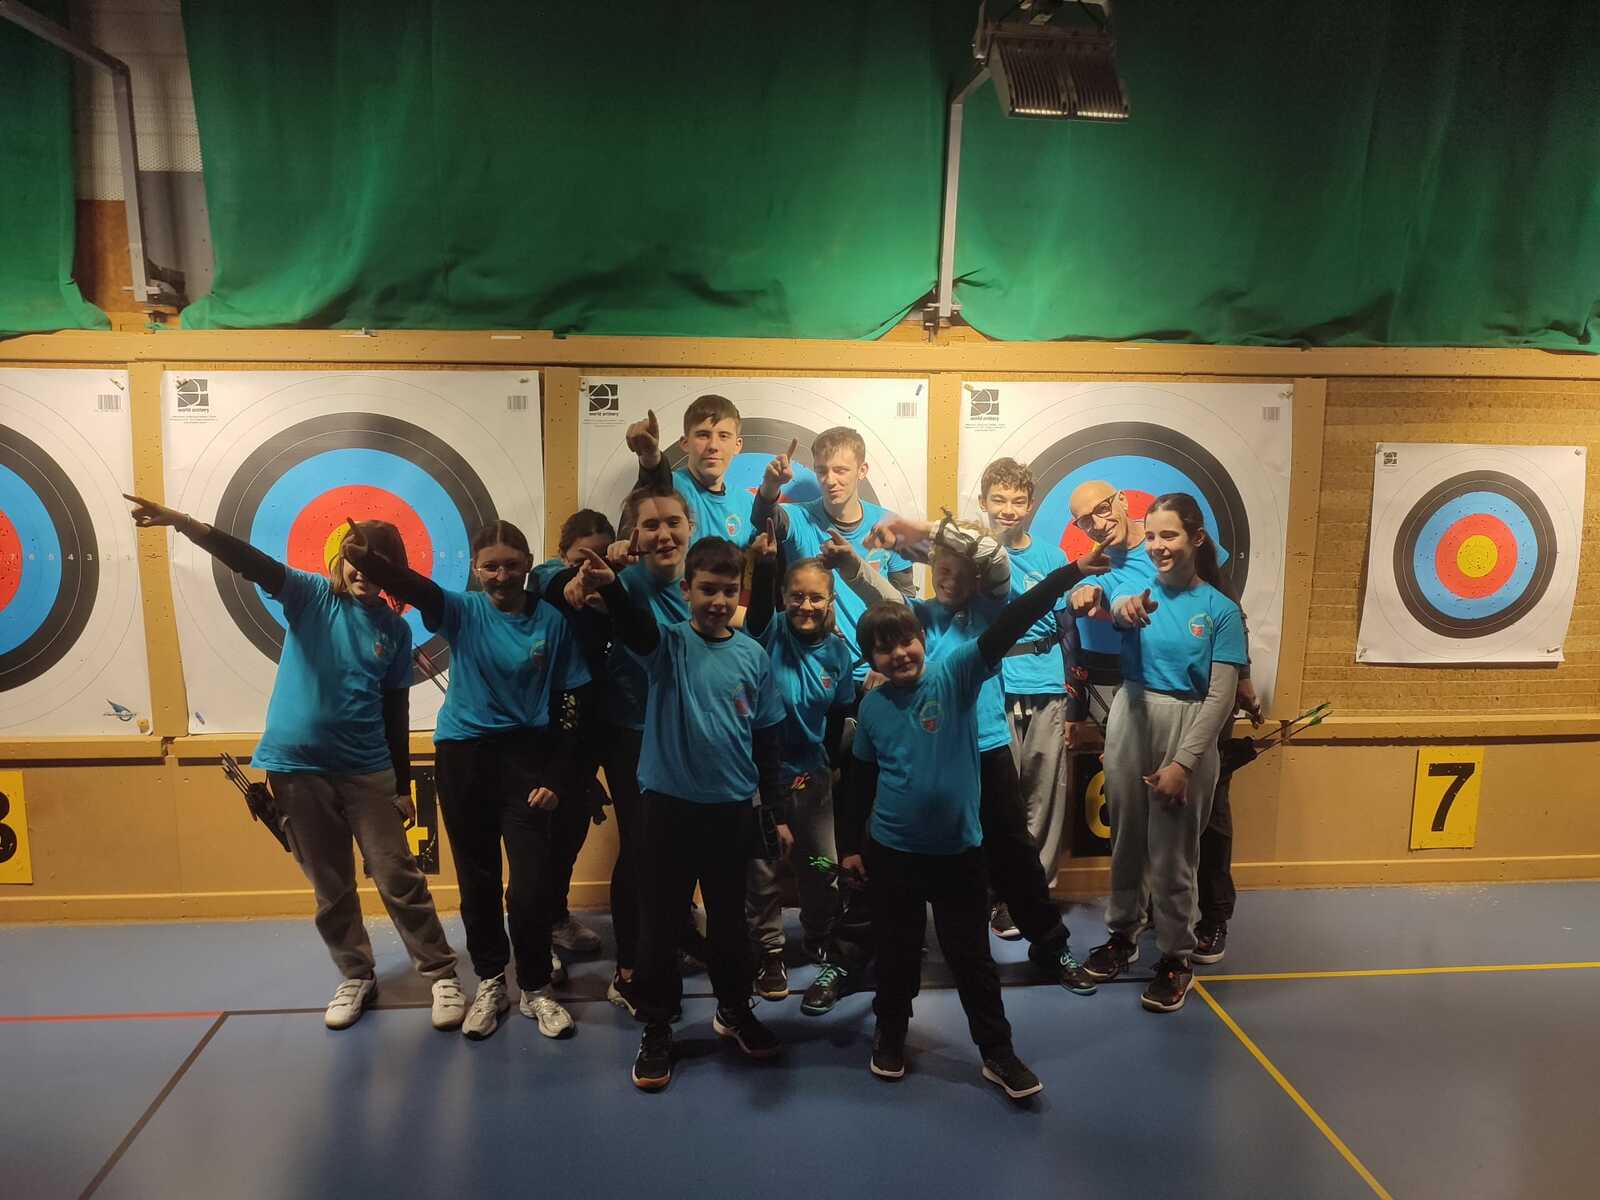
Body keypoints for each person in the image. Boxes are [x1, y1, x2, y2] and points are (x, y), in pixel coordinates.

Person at [124, 495, 465, 1033]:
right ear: (339, 561)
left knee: (398, 877)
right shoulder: (311, 596)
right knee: (331, 886)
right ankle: (356, 974)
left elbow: (394, 710)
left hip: (366, 771)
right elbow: (252, 563)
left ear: (394, 573)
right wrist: (186, 525)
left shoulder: (396, 632)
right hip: (296, 770)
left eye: (377, 562)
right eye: (354, 558)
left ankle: (441, 973)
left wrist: (401, 786)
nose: (362, 570)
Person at [835, 536, 1103, 1099]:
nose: (899, 654)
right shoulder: (873, 706)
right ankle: (890, 1033)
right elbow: (859, 782)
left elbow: (1016, 618)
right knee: (897, 955)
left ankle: (997, 1052)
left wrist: (1070, 573)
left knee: (972, 959)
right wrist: (851, 847)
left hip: (958, 853)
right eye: (884, 650)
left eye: (906, 642)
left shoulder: (956, 672)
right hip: (894, 854)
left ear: (920, 639)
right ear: (871, 660)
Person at [343, 520, 589, 1041]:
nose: (502, 575)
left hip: (526, 761)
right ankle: (492, 981)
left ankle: (536, 989)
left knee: (530, 885)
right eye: (490, 567)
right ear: (476, 570)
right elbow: (415, 587)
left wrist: (556, 773)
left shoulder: (551, 621)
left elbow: (571, 701)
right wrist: (370, 560)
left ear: (528, 564)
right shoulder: (461, 610)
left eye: (512, 565)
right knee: (478, 880)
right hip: (463, 758)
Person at [572, 536, 792, 1093]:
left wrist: (777, 810)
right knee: (660, 927)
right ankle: (657, 1026)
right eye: (707, 590)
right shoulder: (666, 645)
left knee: (731, 925)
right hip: (667, 811)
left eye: (728, 591)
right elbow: (636, 627)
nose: (718, 601)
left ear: (739, 594)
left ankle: (734, 1010)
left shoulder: (753, 655)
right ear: (688, 590)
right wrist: (613, 588)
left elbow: (767, 739)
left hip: (731, 813)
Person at [865, 514, 1084, 993]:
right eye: (943, 570)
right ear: (930, 568)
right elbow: (875, 595)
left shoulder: (991, 608)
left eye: (962, 574)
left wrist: (924, 529)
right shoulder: (918, 618)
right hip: (937, 758)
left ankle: (1050, 946)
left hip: (988, 749)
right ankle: (901, 959)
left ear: (977, 579)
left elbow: (993, 555)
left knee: (1015, 856)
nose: (950, 581)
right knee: (923, 860)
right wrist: (848, 563)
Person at [1063, 494, 1248, 1013]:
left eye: (1169, 535)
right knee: (1125, 842)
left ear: (1196, 539)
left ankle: (1175, 957)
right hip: (1132, 713)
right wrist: (1114, 606)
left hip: (1188, 724)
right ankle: (1123, 936)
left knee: (1174, 854)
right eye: (1150, 537)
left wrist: (1184, 763)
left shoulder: (1220, 610)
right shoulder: (1133, 592)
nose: (1158, 546)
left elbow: (1221, 696)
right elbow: (1101, 599)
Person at [559, 482, 693, 1016]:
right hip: (633, 732)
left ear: (690, 527)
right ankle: (630, 968)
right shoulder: (621, 579)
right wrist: (579, 580)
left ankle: (668, 944)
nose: (664, 534)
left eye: (673, 522)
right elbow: (552, 584)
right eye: (651, 525)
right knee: (641, 848)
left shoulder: (700, 580)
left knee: (678, 847)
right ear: (633, 536)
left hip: (691, 734)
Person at [740, 525, 859, 998]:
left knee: (820, 863)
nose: (805, 606)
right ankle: (770, 951)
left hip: (812, 778)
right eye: (796, 596)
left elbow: (839, 712)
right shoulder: (769, 632)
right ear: (784, 597)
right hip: (759, 775)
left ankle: (818, 934)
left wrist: (830, 764)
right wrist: (767, 564)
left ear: (830, 601)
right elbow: (758, 612)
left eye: (815, 598)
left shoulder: (838, 653)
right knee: (763, 869)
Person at [975, 458, 1075, 904]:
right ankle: (998, 892)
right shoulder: (972, 555)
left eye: (1018, 501)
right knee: (998, 795)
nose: (1008, 510)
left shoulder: (1052, 557)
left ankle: (1034, 892)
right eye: (999, 500)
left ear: (1031, 505)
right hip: (993, 684)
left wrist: (1074, 698)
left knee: (1043, 792)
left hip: (1045, 684)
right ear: (983, 503)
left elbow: (1069, 627)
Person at [748, 425, 917, 682]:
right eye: (822, 471)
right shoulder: (800, 517)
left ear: (862, 471)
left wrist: (889, 661)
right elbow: (765, 519)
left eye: (840, 470)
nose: (829, 480)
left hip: (875, 673)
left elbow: (906, 605)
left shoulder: (890, 527)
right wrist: (771, 486)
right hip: (812, 670)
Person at [530, 509, 616, 960]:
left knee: (571, 831)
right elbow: (553, 582)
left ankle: (554, 916)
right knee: (542, 834)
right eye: (583, 556)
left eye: (602, 555)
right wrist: (575, 581)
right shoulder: (548, 577)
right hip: (549, 727)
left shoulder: (614, 591)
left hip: (593, 727)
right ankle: (537, 930)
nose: (592, 565)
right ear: (564, 553)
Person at [625, 394, 754, 546]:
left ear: (737, 445)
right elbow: (654, 479)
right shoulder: (670, 486)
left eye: (723, 436)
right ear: (685, 443)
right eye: (703, 435)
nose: (713, 445)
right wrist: (650, 455)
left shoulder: (748, 503)